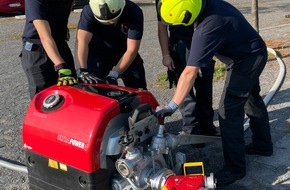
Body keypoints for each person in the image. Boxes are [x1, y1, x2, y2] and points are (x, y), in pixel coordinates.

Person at [156, 0, 273, 187]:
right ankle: (263, 145)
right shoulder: (208, 4)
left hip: (246, 60)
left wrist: (171, 105)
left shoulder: (208, 26)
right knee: (252, 100)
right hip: (253, 52)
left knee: (228, 110)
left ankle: (235, 169)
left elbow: (189, 72)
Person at [155, 0, 217, 136]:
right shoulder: (162, 1)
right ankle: (192, 130)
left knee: (205, 87)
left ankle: (207, 128)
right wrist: (166, 54)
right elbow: (162, 26)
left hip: (202, 39)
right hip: (180, 45)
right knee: (185, 91)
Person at [74, 0, 147, 90]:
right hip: (98, 52)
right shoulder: (89, 10)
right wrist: (81, 70)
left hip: (125, 51)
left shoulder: (133, 11)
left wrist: (114, 74)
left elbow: (132, 50)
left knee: (138, 89)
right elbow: (81, 41)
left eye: (113, 20)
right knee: (92, 89)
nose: (110, 23)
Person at [20, 0, 77, 99]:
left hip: (60, 46)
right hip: (38, 52)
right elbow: (45, 36)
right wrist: (61, 65)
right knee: (45, 101)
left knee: (71, 95)